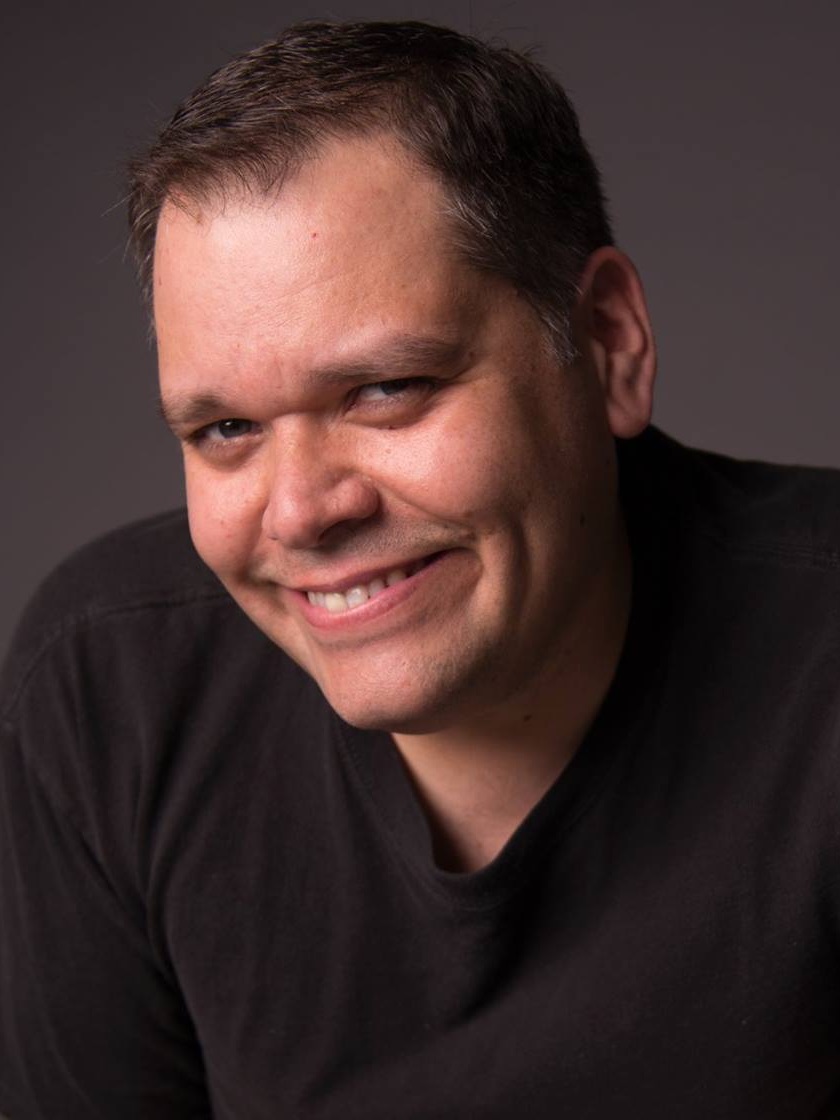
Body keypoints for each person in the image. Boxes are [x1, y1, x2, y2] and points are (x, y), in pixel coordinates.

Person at [1, 20, 839, 1119]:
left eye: (386, 389)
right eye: (226, 430)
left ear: (607, 342)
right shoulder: (112, 691)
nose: (302, 511)